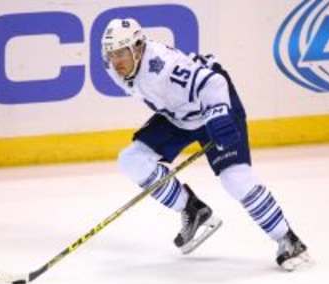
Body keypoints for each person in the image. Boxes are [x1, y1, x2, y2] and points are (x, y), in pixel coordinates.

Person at [101, 18, 311, 271]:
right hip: (179, 116)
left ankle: (288, 240)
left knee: (235, 178)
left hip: (213, 105)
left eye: (122, 53)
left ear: (138, 47)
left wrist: (220, 116)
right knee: (132, 160)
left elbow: (213, 83)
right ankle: (193, 209)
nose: (117, 61)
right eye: (112, 54)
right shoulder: (115, 68)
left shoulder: (163, 66)